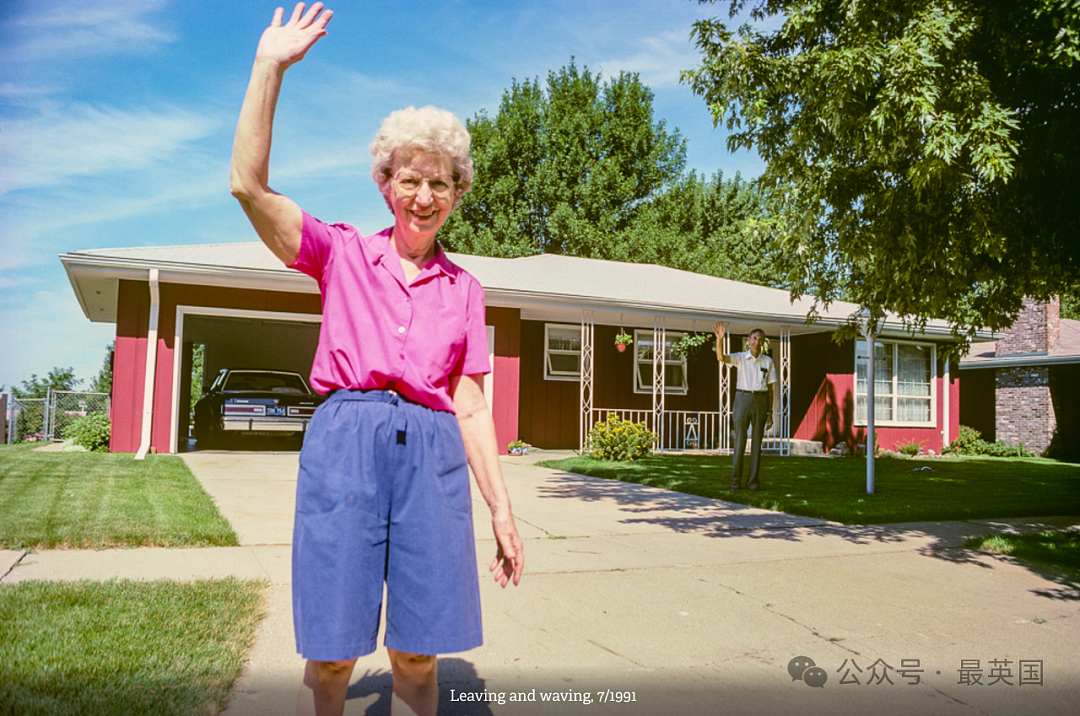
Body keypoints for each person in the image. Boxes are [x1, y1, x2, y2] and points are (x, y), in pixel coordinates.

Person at [229, 5, 524, 716]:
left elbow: (472, 404)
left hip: (432, 453)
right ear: (385, 183)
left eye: (441, 183)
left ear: (458, 194)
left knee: (418, 654)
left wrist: (502, 509)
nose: (424, 197)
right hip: (345, 443)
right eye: (410, 179)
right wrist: (268, 67)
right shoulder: (340, 254)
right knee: (331, 655)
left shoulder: (466, 291)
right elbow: (248, 186)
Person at [713, 322, 777, 491]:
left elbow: (771, 390)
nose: (757, 342)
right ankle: (735, 482)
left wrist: (770, 412)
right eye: (754, 338)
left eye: (760, 339)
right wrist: (720, 340)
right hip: (742, 399)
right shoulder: (741, 357)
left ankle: (753, 483)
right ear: (749, 340)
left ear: (763, 342)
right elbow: (721, 358)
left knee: (757, 443)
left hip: (761, 401)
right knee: (740, 441)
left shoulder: (768, 361)